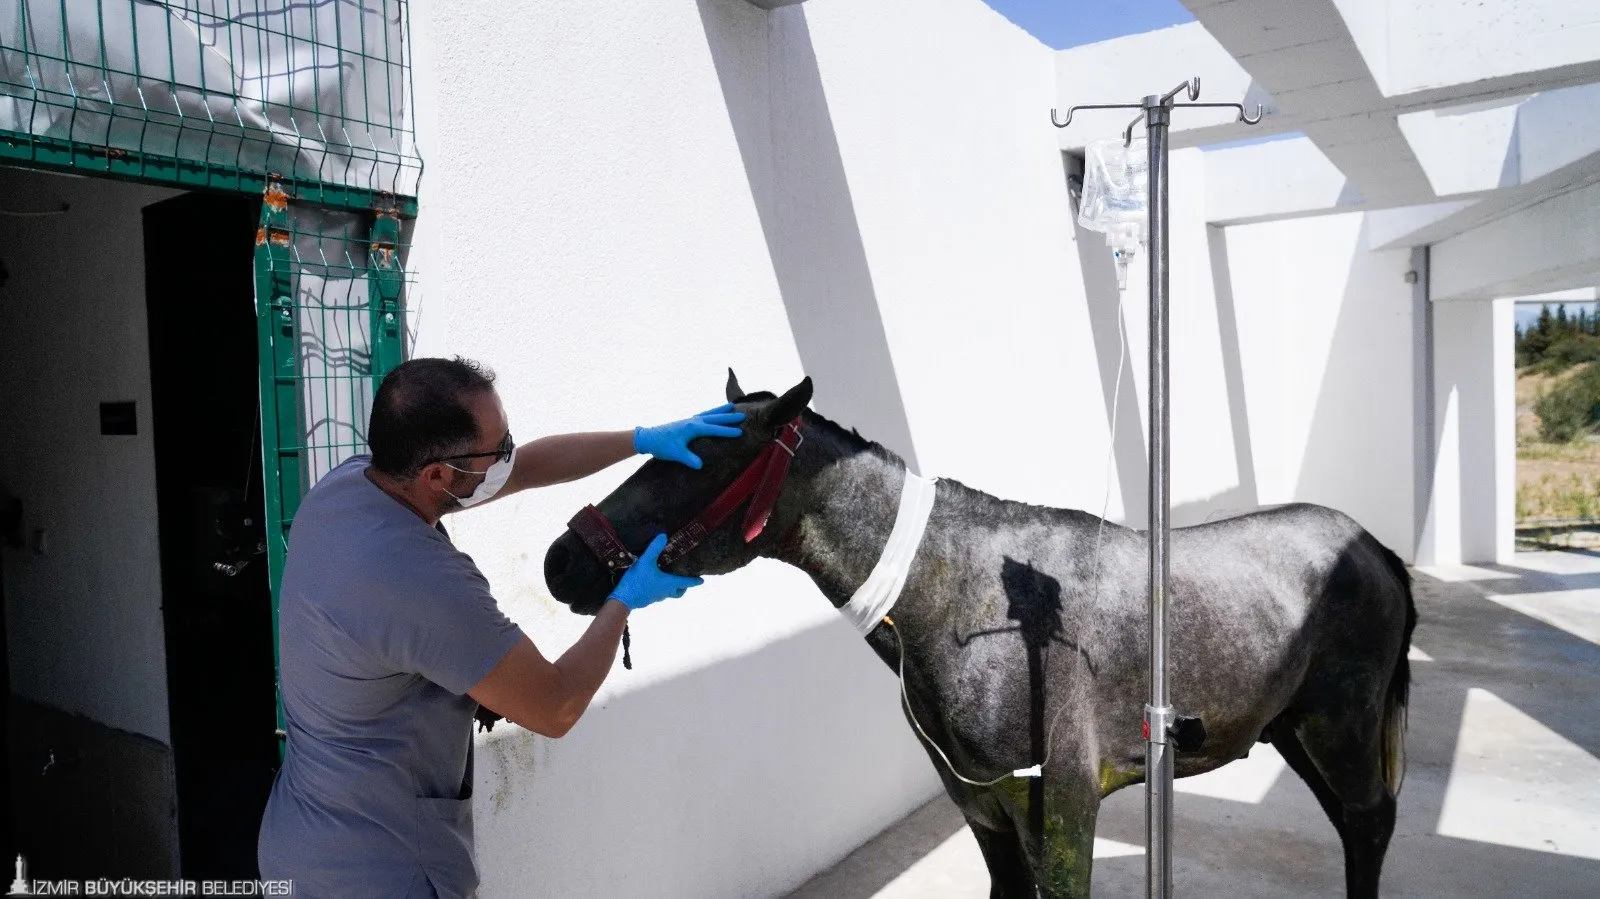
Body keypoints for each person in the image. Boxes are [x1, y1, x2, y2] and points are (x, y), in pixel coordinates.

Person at [256, 356, 744, 898]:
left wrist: (642, 439)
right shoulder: (421, 580)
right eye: (498, 449)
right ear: (438, 475)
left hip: (300, 841)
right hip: (380, 869)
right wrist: (625, 597)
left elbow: (526, 469)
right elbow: (556, 707)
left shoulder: (348, 487)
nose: (509, 455)